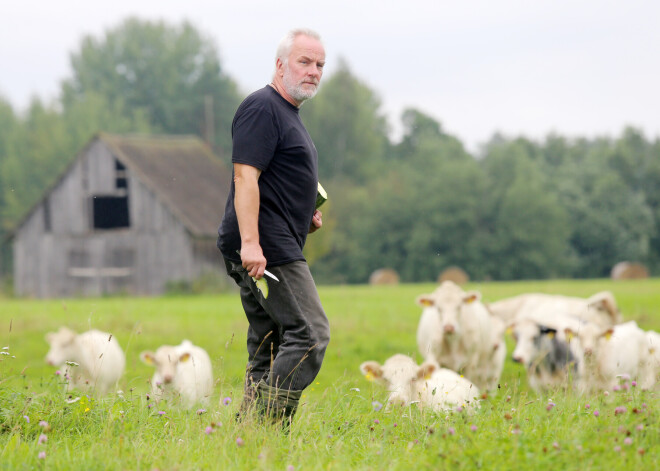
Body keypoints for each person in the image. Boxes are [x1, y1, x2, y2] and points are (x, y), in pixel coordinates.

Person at [217, 28, 330, 427]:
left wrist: (304, 215)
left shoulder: (288, 115)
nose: (314, 71)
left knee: (270, 342)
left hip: (273, 239)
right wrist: (251, 244)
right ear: (280, 65)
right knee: (309, 334)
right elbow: (244, 178)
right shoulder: (263, 107)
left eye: (319, 64)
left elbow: (273, 183)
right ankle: (264, 427)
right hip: (266, 248)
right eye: (305, 61)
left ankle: (245, 438)